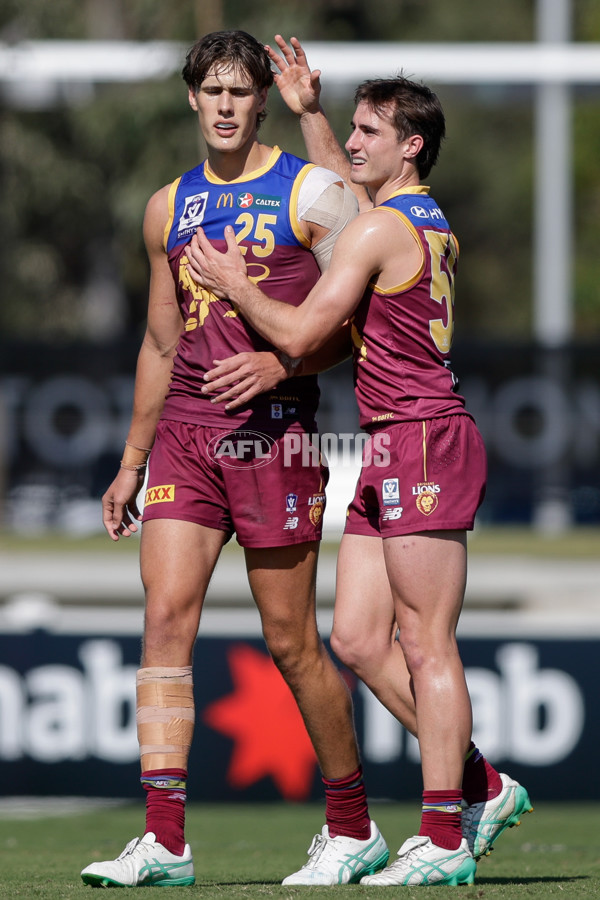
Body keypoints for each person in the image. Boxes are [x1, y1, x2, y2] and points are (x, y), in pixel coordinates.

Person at [185, 36, 533, 887]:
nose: (357, 143)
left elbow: (305, 334)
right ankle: (481, 785)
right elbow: (350, 205)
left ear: (410, 145)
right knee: (357, 638)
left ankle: (445, 836)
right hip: (389, 442)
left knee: (425, 643)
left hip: (422, 437)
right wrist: (307, 114)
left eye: (370, 130)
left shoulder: (383, 226)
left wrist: (233, 283)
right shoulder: (410, 216)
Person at [80, 30, 390, 889]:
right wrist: (131, 459)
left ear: (260, 100)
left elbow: (361, 324)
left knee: (289, 641)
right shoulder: (165, 206)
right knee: (164, 620)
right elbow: (158, 338)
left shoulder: (311, 192)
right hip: (185, 431)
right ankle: (166, 841)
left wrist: (284, 362)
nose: (224, 106)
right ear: (192, 100)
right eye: (210, 91)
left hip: (275, 433)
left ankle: (352, 824)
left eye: (239, 92)